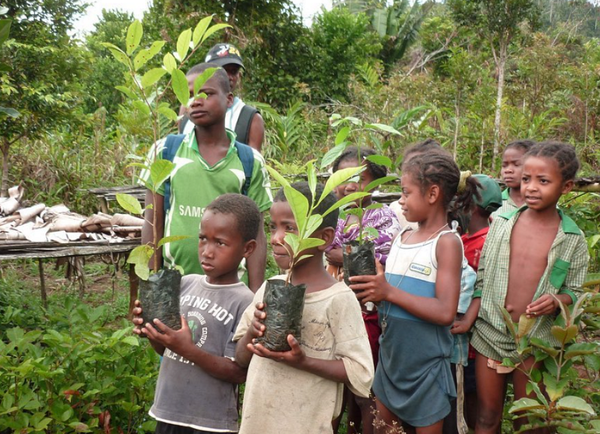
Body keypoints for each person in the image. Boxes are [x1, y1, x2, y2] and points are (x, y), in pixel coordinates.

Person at [350, 152, 481, 434]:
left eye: (406, 193)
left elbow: (445, 312)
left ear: (433, 193)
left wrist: (388, 292)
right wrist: (374, 289)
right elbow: (388, 296)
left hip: (425, 368)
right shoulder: (402, 238)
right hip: (391, 361)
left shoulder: (446, 243)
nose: (401, 200)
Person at [233, 182, 375, 434]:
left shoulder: (339, 299)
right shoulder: (270, 288)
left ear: (324, 238)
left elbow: (361, 373)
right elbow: (240, 359)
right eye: (273, 227)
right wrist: (252, 332)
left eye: (290, 228)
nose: (276, 238)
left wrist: (304, 362)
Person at [467, 142, 589, 434]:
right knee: (486, 417)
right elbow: (483, 273)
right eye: (526, 179)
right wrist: (473, 312)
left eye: (543, 181)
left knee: (530, 421)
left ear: (567, 186)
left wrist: (558, 299)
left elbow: (577, 290)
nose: (532, 188)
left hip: (536, 341)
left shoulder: (572, 238)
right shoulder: (503, 222)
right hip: (491, 333)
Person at [132, 193, 261, 434]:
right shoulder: (184, 284)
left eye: (220, 243)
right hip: (168, 412)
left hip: (210, 424)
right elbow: (165, 350)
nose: (207, 251)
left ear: (248, 248)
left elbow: (237, 372)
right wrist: (152, 330)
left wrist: (187, 349)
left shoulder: (244, 302)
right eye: (203, 239)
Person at [141, 63, 272, 292]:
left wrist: (255, 294)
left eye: (207, 93)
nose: (196, 101)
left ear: (229, 99)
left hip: (229, 289)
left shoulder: (249, 161)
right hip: (174, 286)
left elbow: (257, 233)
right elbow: (153, 221)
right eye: (190, 95)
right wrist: (151, 286)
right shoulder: (164, 152)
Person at [325, 146, 401, 434]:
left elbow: (377, 259)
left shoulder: (382, 218)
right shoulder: (332, 214)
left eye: (362, 177)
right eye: (345, 176)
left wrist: (340, 254)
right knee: (331, 392)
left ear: (377, 182)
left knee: (364, 390)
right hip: (330, 311)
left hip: (366, 316)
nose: (351, 185)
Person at [448, 174, 502, 432]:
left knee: (474, 402)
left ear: (469, 207)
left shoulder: (484, 244)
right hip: (468, 343)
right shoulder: (464, 239)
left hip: (474, 343)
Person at [179, 43, 264, 152]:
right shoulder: (187, 108)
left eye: (233, 71)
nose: (228, 76)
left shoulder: (250, 118)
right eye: (221, 70)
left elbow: (253, 163)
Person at [492, 139, 535, 217]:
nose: (508, 170)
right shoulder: (494, 204)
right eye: (504, 165)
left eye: (516, 164)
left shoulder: (543, 205)